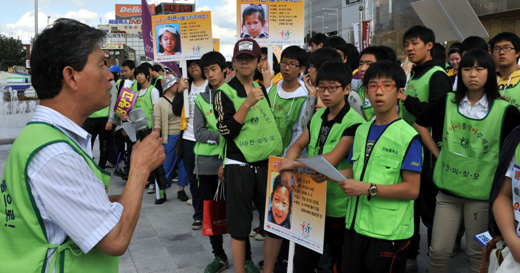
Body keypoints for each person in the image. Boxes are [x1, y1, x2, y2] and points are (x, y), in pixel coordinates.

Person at [0, 18, 165, 272]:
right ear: (71, 76)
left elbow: (81, 205)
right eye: (101, 65)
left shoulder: (43, 137)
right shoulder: (55, 154)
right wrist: (140, 168)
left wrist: (124, 193)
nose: (110, 75)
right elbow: (115, 239)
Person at [414, 49, 520, 273]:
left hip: (481, 197)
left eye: (480, 68)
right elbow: (420, 124)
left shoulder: (506, 111)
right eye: (467, 68)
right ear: (459, 72)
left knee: (476, 252)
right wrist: (438, 153)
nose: (473, 74)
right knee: (438, 251)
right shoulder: (448, 102)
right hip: (447, 192)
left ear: (490, 73)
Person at [334, 60, 422, 273]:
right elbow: (358, 171)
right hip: (355, 226)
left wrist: (367, 189)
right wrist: (328, 174)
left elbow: (412, 190)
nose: (378, 92)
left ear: (400, 92)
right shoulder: (362, 130)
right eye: (372, 86)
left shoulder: (408, 136)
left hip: (388, 234)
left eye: (386, 86)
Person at [278, 61, 365, 273]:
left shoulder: (355, 122)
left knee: (339, 261)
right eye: (321, 87)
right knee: (302, 261)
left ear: (346, 89)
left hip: (339, 205)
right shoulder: (318, 116)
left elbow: (331, 160)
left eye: (332, 88)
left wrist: (292, 163)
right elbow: (298, 144)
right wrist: (288, 168)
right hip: (311, 200)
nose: (325, 93)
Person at [213, 38, 283, 273]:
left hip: (267, 164)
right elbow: (227, 131)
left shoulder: (261, 87)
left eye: (250, 58)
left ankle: (268, 269)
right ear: (233, 62)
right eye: (240, 58)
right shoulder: (223, 92)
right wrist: (247, 104)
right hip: (239, 166)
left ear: (257, 62)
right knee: (239, 227)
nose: (245, 62)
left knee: (274, 222)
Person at [399, 25, 452, 271]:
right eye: (407, 44)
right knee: (410, 211)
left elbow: (438, 116)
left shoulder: (437, 75)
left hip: (428, 156)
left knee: (431, 214)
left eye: (415, 43)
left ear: (429, 45)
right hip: (409, 153)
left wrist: (406, 100)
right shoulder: (414, 74)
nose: (409, 48)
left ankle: (435, 261)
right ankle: (410, 257)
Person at [261, 45, 316, 272]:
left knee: (291, 216)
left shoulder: (305, 96)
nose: (286, 68)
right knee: (275, 218)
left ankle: (289, 261)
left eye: (293, 64)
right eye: (284, 62)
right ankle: (275, 262)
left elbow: (301, 134)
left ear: (302, 68)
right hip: (270, 163)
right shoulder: (271, 91)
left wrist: (289, 163)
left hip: (292, 166)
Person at [196, 51, 230, 273]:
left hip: (234, 162)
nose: (210, 74)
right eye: (206, 71)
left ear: (224, 70)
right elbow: (199, 133)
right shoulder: (201, 99)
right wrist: (226, 134)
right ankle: (219, 255)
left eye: (214, 69)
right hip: (208, 164)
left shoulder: (236, 94)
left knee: (238, 211)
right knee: (212, 211)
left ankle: (245, 256)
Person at [172, 59, 208, 229]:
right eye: (190, 64)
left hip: (207, 139)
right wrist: (179, 92)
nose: (193, 66)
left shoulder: (211, 85)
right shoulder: (186, 86)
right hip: (188, 139)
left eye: (197, 63)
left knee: (209, 179)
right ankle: (198, 215)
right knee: (193, 179)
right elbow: (175, 111)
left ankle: (212, 214)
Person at [153, 74, 189, 204]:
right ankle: (162, 191)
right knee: (166, 165)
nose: (178, 86)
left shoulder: (183, 97)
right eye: (175, 84)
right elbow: (157, 121)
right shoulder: (160, 102)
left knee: (183, 164)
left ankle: (181, 190)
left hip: (183, 134)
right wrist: (157, 137)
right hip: (169, 137)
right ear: (168, 85)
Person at [355, 46, 391, 121]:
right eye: (361, 64)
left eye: (368, 64)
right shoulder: (357, 86)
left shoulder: (389, 90)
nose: (362, 69)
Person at [490, 32, 520, 110]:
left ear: (517, 53)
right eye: (496, 49)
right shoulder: (487, 80)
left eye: (507, 48)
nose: (501, 52)